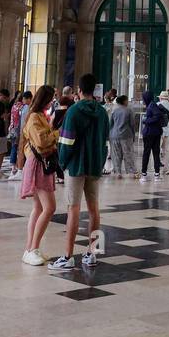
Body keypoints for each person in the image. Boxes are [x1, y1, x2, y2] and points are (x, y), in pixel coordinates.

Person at [49, 74, 110, 272]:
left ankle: (67, 256)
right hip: (94, 165)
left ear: (79, 90)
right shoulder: (102, 112)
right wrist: (100, 162)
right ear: (95, 90)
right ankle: (92, 252)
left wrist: (63, 163)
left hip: (75, 166)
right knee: (94, 208)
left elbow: (66, 142)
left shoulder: (74, 111)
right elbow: (104, 141)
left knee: (73, 208)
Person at [19, 85, 59, 265]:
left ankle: (30, 248)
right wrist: (57, 133)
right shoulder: (34, 117)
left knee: (39, 208)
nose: (53, 101)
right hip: (38, 164)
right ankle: (32, 248)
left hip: (42, 163)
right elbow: (41, 141)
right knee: (49, 207)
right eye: (51, 98)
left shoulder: (41, 115)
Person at [139, 90, 167, 181]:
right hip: (156, 132)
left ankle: (144, 174)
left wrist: (146, 121)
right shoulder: (152, 105)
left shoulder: (151, 105)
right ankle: (156, 174)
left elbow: (157, 116)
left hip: (150, 133)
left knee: (147, 153)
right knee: (155, 153)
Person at [109, 93, 138, 179]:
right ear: (124, 101)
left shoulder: (114, 110)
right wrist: (133, 135)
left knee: (116, 154)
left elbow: (111, 124)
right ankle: (131, 171)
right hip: (126, 135)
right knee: (128, 153)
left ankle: (118, 172)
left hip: (114, 135)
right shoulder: (129, 111)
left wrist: (109, 134)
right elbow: (132, 124)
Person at [8, 91, 32, 181]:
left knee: (20, 151)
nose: (23, 100)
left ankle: (20, 170)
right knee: (20, 150)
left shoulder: (23, 107)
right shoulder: (25, 107)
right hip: (23, 132)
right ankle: (20, 169)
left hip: (22, 132)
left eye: (24, 99)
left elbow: (23, 121)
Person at [0, 89, 12, 178]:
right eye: (4, 98)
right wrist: (3, 116)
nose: (5, 100)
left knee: (1, 151)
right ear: (0, 95)